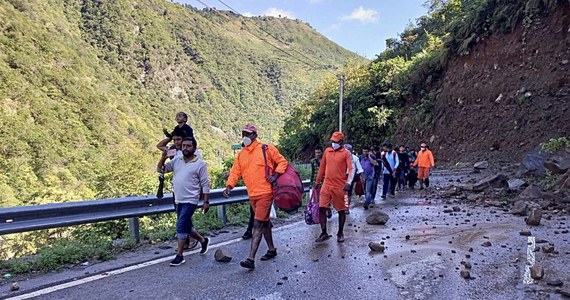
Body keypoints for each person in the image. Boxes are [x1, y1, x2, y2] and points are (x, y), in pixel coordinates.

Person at [223, 124, 288, 270]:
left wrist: (275, 176)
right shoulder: (241, 154)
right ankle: (271, 250)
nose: (245, 136)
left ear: (255, 135)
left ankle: (250, 259)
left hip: (265, 193)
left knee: (257, 224)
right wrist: (229, 186)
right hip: (252, 194)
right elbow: (235, 172)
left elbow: (282, 162)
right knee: (264, 223)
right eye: (243, 133)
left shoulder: (266, 148)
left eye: (248, 133)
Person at [157, 137, 210, 266]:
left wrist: (206, 201)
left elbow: (205, 183)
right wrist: (163, 157)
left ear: (194, 148)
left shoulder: (200, 164)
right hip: (178, 198)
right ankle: (203, 240)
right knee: (186, 225)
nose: (185, 148)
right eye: (184, 146)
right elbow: (161, 169)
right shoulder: (177, 160)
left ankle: (180, 255)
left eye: (188, 146)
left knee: (181, 225)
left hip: (191, 199)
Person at [314, 131, 353, 243]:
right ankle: (324, 232)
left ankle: (340, 233)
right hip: (326, 184)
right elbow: (322, 167)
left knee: (342, 210)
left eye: (335, 142)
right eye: (332, 141)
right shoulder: (327, 151)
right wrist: (317, 181)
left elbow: (351, 169)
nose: (333, 143)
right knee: (322, 208)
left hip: (340, 186)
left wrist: (348, 182)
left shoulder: (346, 153)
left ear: (341, 142)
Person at [344, 144, 363, 214]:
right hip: (341, 177)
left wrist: (362, 178)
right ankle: (343, 207)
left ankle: (346, 207)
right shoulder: (340, 157)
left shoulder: (355, 158)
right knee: (342, 193)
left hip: (350, 177)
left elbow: (360, 169)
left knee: (347, 193)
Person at [359, 146, 379, 210]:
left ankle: (367, 202)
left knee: (368, 190)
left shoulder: (372, 156)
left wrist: (369, 157)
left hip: (370, 176)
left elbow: (375, 164)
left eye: (366, 151)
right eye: (364, 151)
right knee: (364, 190)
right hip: (362, 176)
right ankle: (368, 200)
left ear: (368, 151)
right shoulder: (360, 157)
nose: (365, 153)